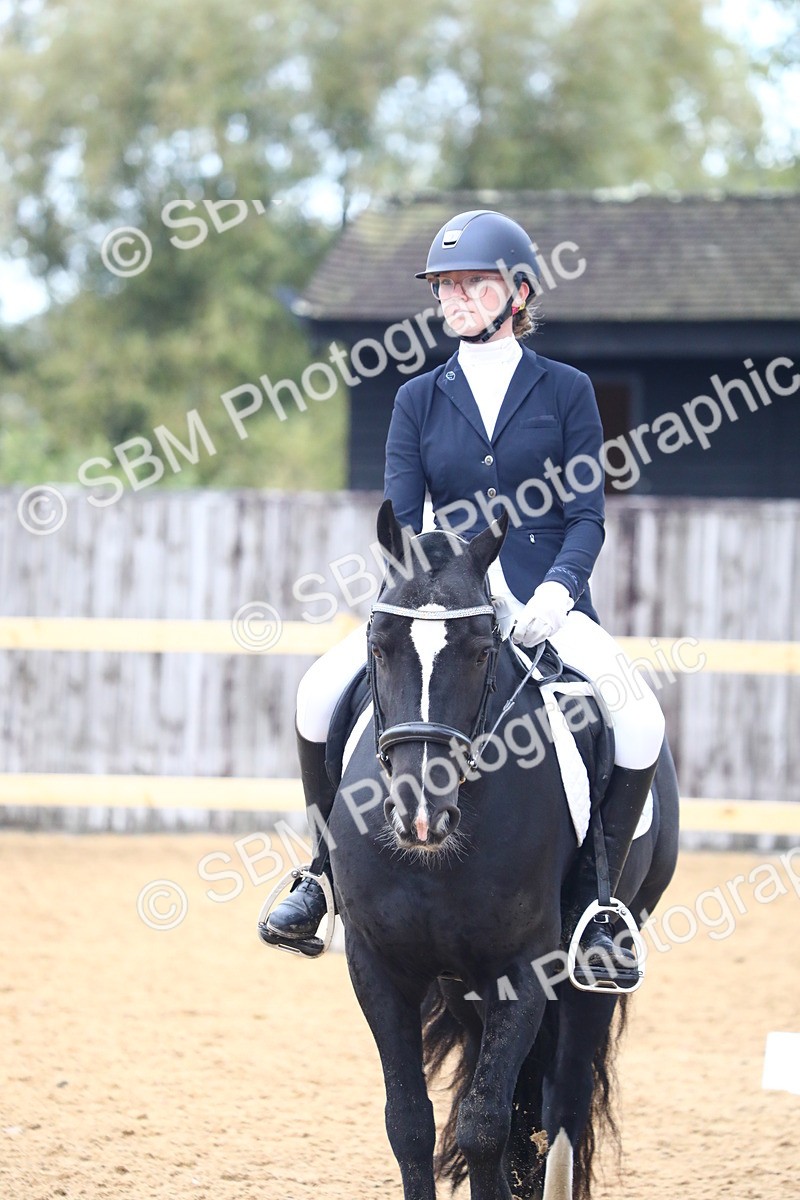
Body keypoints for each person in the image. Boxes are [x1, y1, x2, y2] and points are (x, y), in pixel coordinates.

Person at [263, 209, 665, 986]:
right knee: (316, 696)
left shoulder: (567, 391)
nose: (453, 297)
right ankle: (319, 876)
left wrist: (555, 592)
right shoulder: (417, 398)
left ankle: (600, 910)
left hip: (546, 598)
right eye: (445, 285)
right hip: (439, 606)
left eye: (470, 283)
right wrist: (436, 589)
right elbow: (404, 516)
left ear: (516, 293)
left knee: (639, 719)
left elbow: (587, 516)